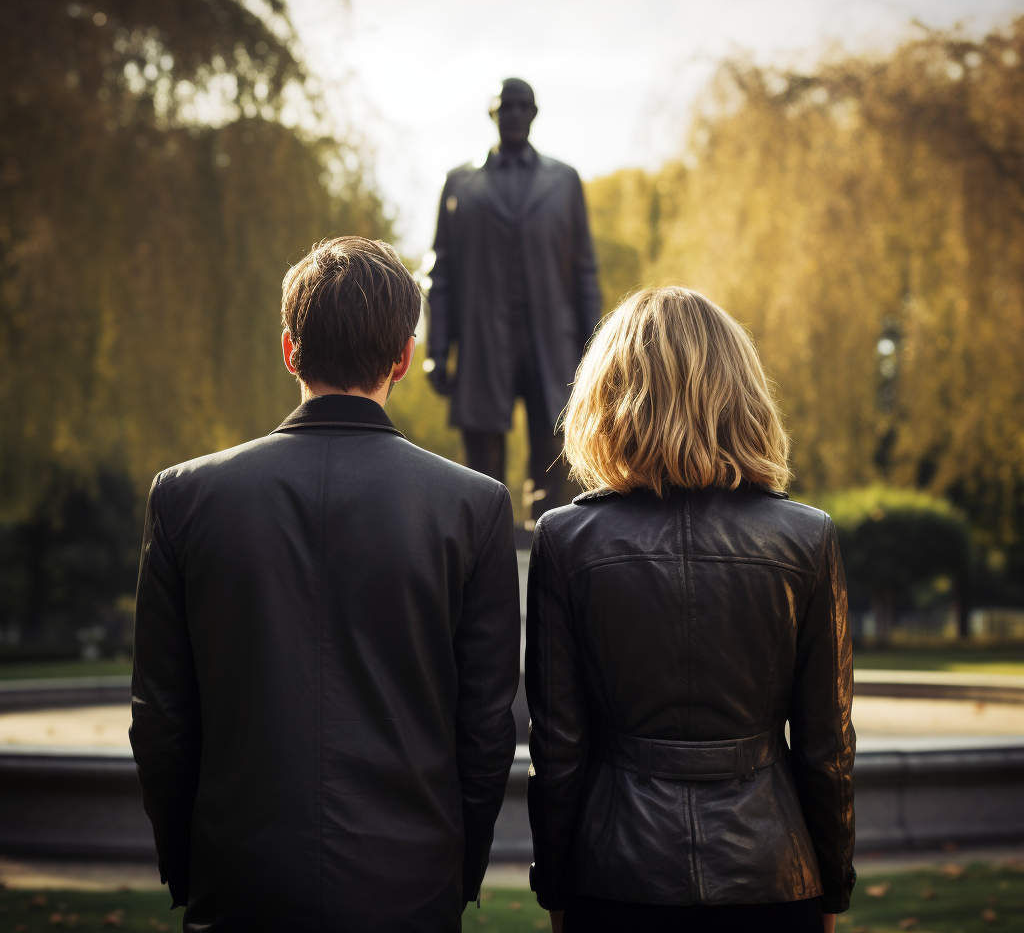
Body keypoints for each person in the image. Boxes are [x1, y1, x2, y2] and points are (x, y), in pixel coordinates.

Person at [130, 237, 521, 932]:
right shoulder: (474, 506)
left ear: (289, 349)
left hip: (240, 883)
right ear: (404, 357)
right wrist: (455, 870)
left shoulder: (185, 499)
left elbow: (161, 718)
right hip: (410, 888)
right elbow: (486, 731)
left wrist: (191, 865)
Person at [526, 287, 856, 933]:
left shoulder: (565, 540)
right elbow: (827, 750)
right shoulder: (806, 538)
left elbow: (559, 748)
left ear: (608, 392)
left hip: (614, 874)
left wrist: (557, 887)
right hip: (772, 872)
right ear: (741, 391)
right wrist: (831, 887)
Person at [425, 78, 602, 520]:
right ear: (492, 114)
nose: (514, 115)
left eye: (523, 107)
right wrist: (436, 350)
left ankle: (552, 550)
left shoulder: (564, 181)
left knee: (555, 459)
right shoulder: (460, 184)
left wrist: (595, 352)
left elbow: (584, 269)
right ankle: (483, 548)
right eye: (505, 107)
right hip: (483, 340)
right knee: (480, 471)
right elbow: (439, 274)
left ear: (535, 114)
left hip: (553, 343)